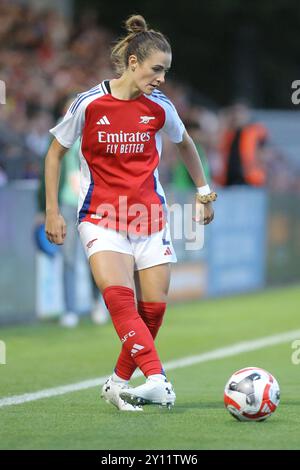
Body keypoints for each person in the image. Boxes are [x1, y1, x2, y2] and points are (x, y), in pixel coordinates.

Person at [44, 14, 216, 411]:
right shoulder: (88, 103)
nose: (161, 78)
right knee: (120, 301)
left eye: (167, 72)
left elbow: (187, 144)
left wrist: (204, 192)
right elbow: (55, 153)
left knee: (152, 311)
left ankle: (118, 383)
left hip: (150, 218)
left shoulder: (159, 106)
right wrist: (53, 211)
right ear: (134, 63)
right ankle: (158, 380)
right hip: (101, 218)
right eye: (157, 69)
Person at [217, 101, 269, 187]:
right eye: (235, 113)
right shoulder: (229, 134)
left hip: (250, 181)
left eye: (240, 113)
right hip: (230, 181)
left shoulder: (255, 132)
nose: (237, 116)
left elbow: (264, 152)